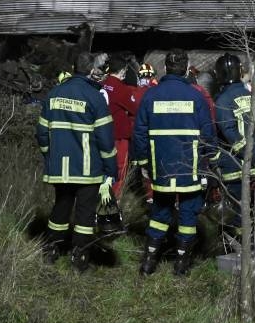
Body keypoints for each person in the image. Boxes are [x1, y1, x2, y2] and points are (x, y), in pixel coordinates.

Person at [132, 49, 216, 276]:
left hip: (161, 167)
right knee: (188, 215)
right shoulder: (196, 96)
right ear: (187, 68)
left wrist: (144, 163)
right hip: (190, 167)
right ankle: (181, 264)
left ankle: (149, 262)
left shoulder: (151, 95)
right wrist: (211, 161)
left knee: (159, 214)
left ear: (165, 68)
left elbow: (139, 133)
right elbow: (208, 133)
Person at [36, 52, 117, 272]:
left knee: (60, 208)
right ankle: (80, 259)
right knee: (84, 214)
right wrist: (111, 169)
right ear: (91, 70)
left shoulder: (54, 93)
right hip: (87, 169)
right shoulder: (95, 97)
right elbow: (105, 140)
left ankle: (52, 250)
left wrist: (49, 156)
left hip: (59, 168)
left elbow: (42, 132)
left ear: (73, 68)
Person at [214, 53, 255, 245]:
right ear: (240, 72)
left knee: (236, 208)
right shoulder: (254, 98)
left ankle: (240, 245)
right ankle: (248, 241)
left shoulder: (222, 100)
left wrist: (251, 156)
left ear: (219, 74)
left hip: (235, 166)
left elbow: (230, 134)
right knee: (248, 205)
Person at [100, 55, 141, 197]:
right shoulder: (121, 89)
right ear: (123, 70)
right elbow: (135, 109)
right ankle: (114, 199)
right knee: (119, 168)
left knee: (103, 167)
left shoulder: (102, 84)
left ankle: (101, 196)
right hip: (118, 135)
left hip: (101, 133)